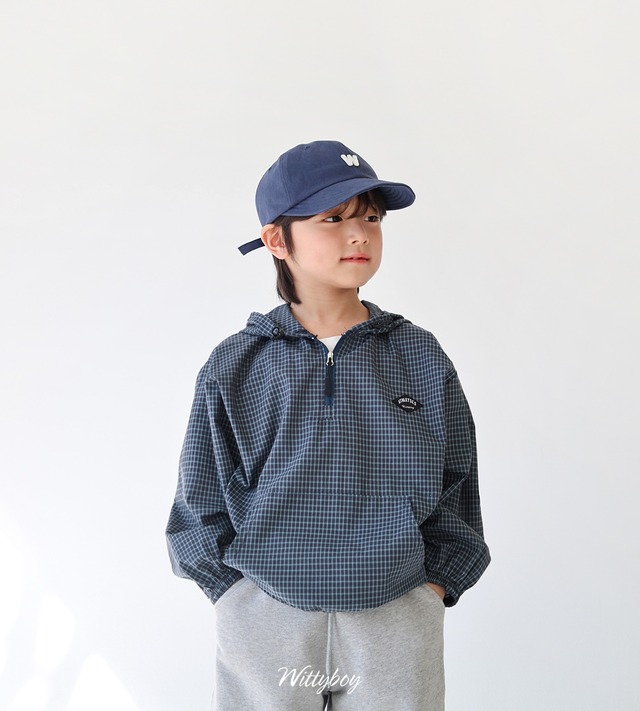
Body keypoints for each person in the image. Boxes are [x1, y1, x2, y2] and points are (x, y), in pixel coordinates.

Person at [166, 140, 490, 710]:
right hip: (266, 618)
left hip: (397, 613)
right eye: (333, 219)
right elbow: (201, 496)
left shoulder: (418, 355)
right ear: (276, 240)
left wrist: (434, 586)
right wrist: (234, 595)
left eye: (371, 218)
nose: (359, 235)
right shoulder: (237, 363)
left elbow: (457, 482)